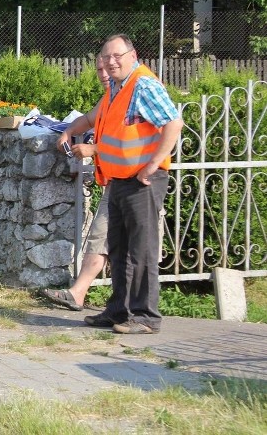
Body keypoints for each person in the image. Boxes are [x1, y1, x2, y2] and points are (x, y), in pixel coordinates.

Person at [57, 34, 183, 334]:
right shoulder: (117, 87)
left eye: (117, 56)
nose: (111, 62)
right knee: (120, 250)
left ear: (132, 55)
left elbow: (173, 123)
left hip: (143, 179)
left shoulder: (143, 84)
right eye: (106, 57)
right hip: (120, 178)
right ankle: (118, 311)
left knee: (142, 249)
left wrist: (153, 164)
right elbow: (97, 122)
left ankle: (145, 317)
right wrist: (70, 131)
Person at [43, 56, 110, 311]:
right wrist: (68, 131)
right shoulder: (110, 97)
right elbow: (90, 118)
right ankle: (78, 293)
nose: (103, 74)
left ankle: (133, 308)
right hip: (115, 182)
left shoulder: (131, 96)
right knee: (99, 238)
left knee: (134, 248)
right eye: (99, 69)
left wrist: (93, 148)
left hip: (137, 183)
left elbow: (132, 140)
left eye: (108, 68)